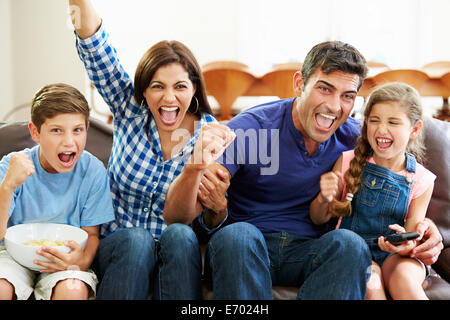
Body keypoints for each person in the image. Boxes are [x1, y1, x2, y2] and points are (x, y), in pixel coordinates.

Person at [164, 41, 444, 299]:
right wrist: (193, 170)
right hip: (247, 247)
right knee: (238, 234)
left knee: (349, 244)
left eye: (348, 95)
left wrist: (426, 229)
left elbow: (404, 180)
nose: (334, 107)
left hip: (311, 251)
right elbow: (176, 217)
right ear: (299, 84)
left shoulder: (357, 139)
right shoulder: (252, 128)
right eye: (324, 88)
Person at [68, 0, 233, 299]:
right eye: (158, 86)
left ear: (194, 88)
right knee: (137, 241)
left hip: (175, 255)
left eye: (180, 86)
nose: (169, 98)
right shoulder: (129, 109)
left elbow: (182, 219)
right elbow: (94, 44)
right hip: (119, 250)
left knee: (179, 236)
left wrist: (196, 166)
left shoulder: (210, 137)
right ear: (143, 89)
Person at [310, 82, 435, 300]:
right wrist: (325, 197)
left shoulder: (422, 179)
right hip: (357, 254)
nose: (381, 129)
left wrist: (402, 245)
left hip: (399, 257)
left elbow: (412, 239)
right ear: (365, 123)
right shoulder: (347, 161)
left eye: (393, 122)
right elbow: (318, 219)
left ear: (414, 129)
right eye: (374, 120)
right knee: (372, 283)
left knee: (404, 279)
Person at [0, 83, 115, 300]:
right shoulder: (11, 165)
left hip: (62, 260)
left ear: (87, 129)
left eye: (77, 130)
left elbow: (91, 235)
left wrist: (79, 262)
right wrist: (7, 186)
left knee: (72, 290)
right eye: (56, 130)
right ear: (35, 132)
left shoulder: (93, 171)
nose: (69, 141)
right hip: (12, 256)